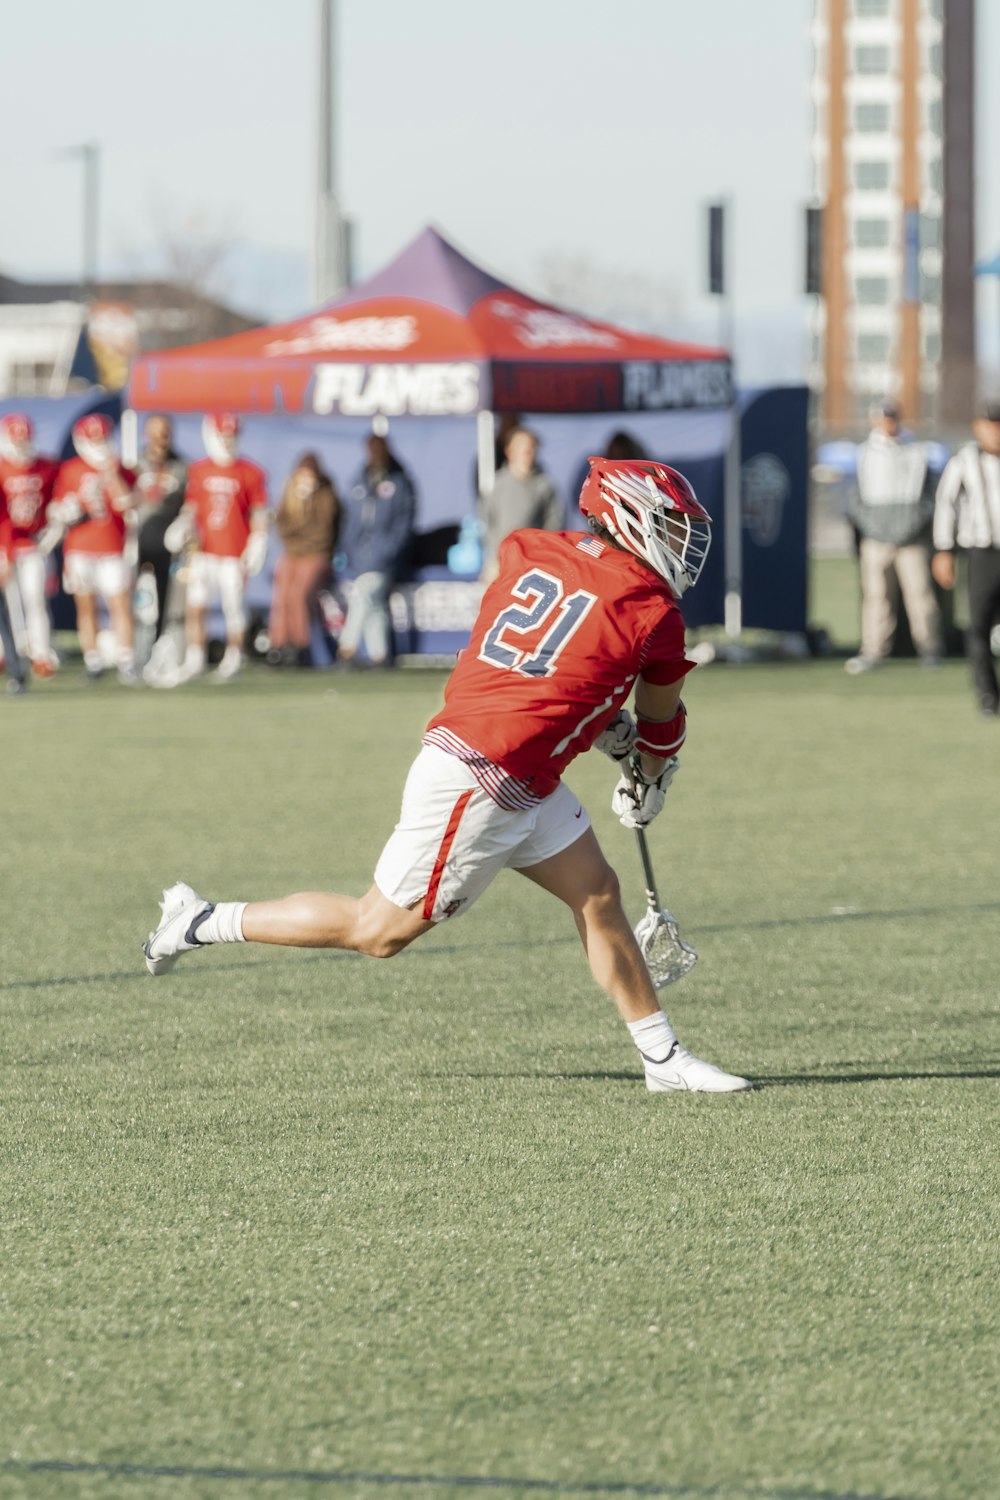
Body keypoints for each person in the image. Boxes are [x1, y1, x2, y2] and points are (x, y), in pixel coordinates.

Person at [142, 455, 751, 1095]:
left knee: (597, 892)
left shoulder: (532, 551)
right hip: (484, 778)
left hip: (515, 765)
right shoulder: (651, 608)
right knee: (374, 931)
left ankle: (663, 1060)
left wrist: (605, 728)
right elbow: (660, 726)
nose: (684, 542)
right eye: (673, 525)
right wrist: (648, 780)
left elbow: (545, 670)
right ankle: (200, 919)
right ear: (630, 519)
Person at [161, 413, 268, 684]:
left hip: (233, 552)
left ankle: (234, 658)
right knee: (196, 606)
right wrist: (182, 525)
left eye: (230, 436)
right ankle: (195, 659)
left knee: (234, 609)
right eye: (222, 436)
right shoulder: (199, 470)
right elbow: (192, 507)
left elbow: (258, 512)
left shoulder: (251, 472)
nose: (227, 442)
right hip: (203, 552)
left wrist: (258, 541)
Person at [844, 401, 941, 674]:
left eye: (891, 418)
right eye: (882, 418)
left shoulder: (917, 451)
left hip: (911, 539)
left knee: (920, 595)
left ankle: (930, 650)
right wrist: (873, 527)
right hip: (875, 538)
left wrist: (911, 524)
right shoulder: (863, 453)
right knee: (876, 597)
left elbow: (928, 496)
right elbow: (854, 498)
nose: (887, 423)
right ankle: (873, 651)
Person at [50, 414, 139, 682]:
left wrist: (112, 475)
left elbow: (126, 504)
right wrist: (67, 512)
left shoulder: (121, 468)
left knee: (119, 604)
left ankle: (126, 660)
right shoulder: (70, 469)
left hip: (112, 546)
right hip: (80, 547)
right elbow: (57, 508)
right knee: (86, 606)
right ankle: (93, 660)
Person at [932, 401, 1000, 717]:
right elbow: (946, 506)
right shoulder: (964, 462)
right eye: (991, 424)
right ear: (978, 427)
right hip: (982, 552)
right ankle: (987, 694)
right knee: (979, 624)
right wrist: (944, 550)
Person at [336, 433, 415, 668]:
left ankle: (346, 649)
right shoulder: (359, 481)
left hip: (386, 560)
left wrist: (389, 551)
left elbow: (403, 524)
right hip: (360, 557)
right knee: (373, 602)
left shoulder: (400, 482)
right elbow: (350, 521)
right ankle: (380, 655)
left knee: (363, 593)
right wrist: (348, 549)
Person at [267, 453, 340, 667]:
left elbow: (323, 532)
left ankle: (301, 646)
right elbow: (283, 527)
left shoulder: (327, 496)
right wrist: (298, 504)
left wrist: (308, 505)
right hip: (293, 553)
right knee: (283, 595)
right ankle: (279, 645)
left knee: (299, 594)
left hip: (317, 554)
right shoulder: (290, 493)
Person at [0, 413, 59, 676]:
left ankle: (41, 653)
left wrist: (55, 527)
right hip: (4, 544)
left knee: (36, 600)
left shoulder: (46, 466)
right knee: (7, 603)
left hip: (34, 545)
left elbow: (57, 501)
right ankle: (4, 652)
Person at [479, 425, 562, 584]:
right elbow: (486, 520)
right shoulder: (496, 484)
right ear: (509, 450)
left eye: (530, 447)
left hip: (535, 561)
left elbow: (554, 523)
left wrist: (544, 555)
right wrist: (493, 558)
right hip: (500, 561)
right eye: (521, 446)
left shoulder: (545, 485)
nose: (526, 451)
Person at [133, 415, 188, 645]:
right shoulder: (134, 464)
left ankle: (161, 641)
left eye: (165, 432)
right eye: (155, 432)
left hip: (168, 543)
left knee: (167, 596)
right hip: (137, 540)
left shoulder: (181, 467)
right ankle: (134, 645)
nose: (160, 438)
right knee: (135, 595)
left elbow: (190, 504)